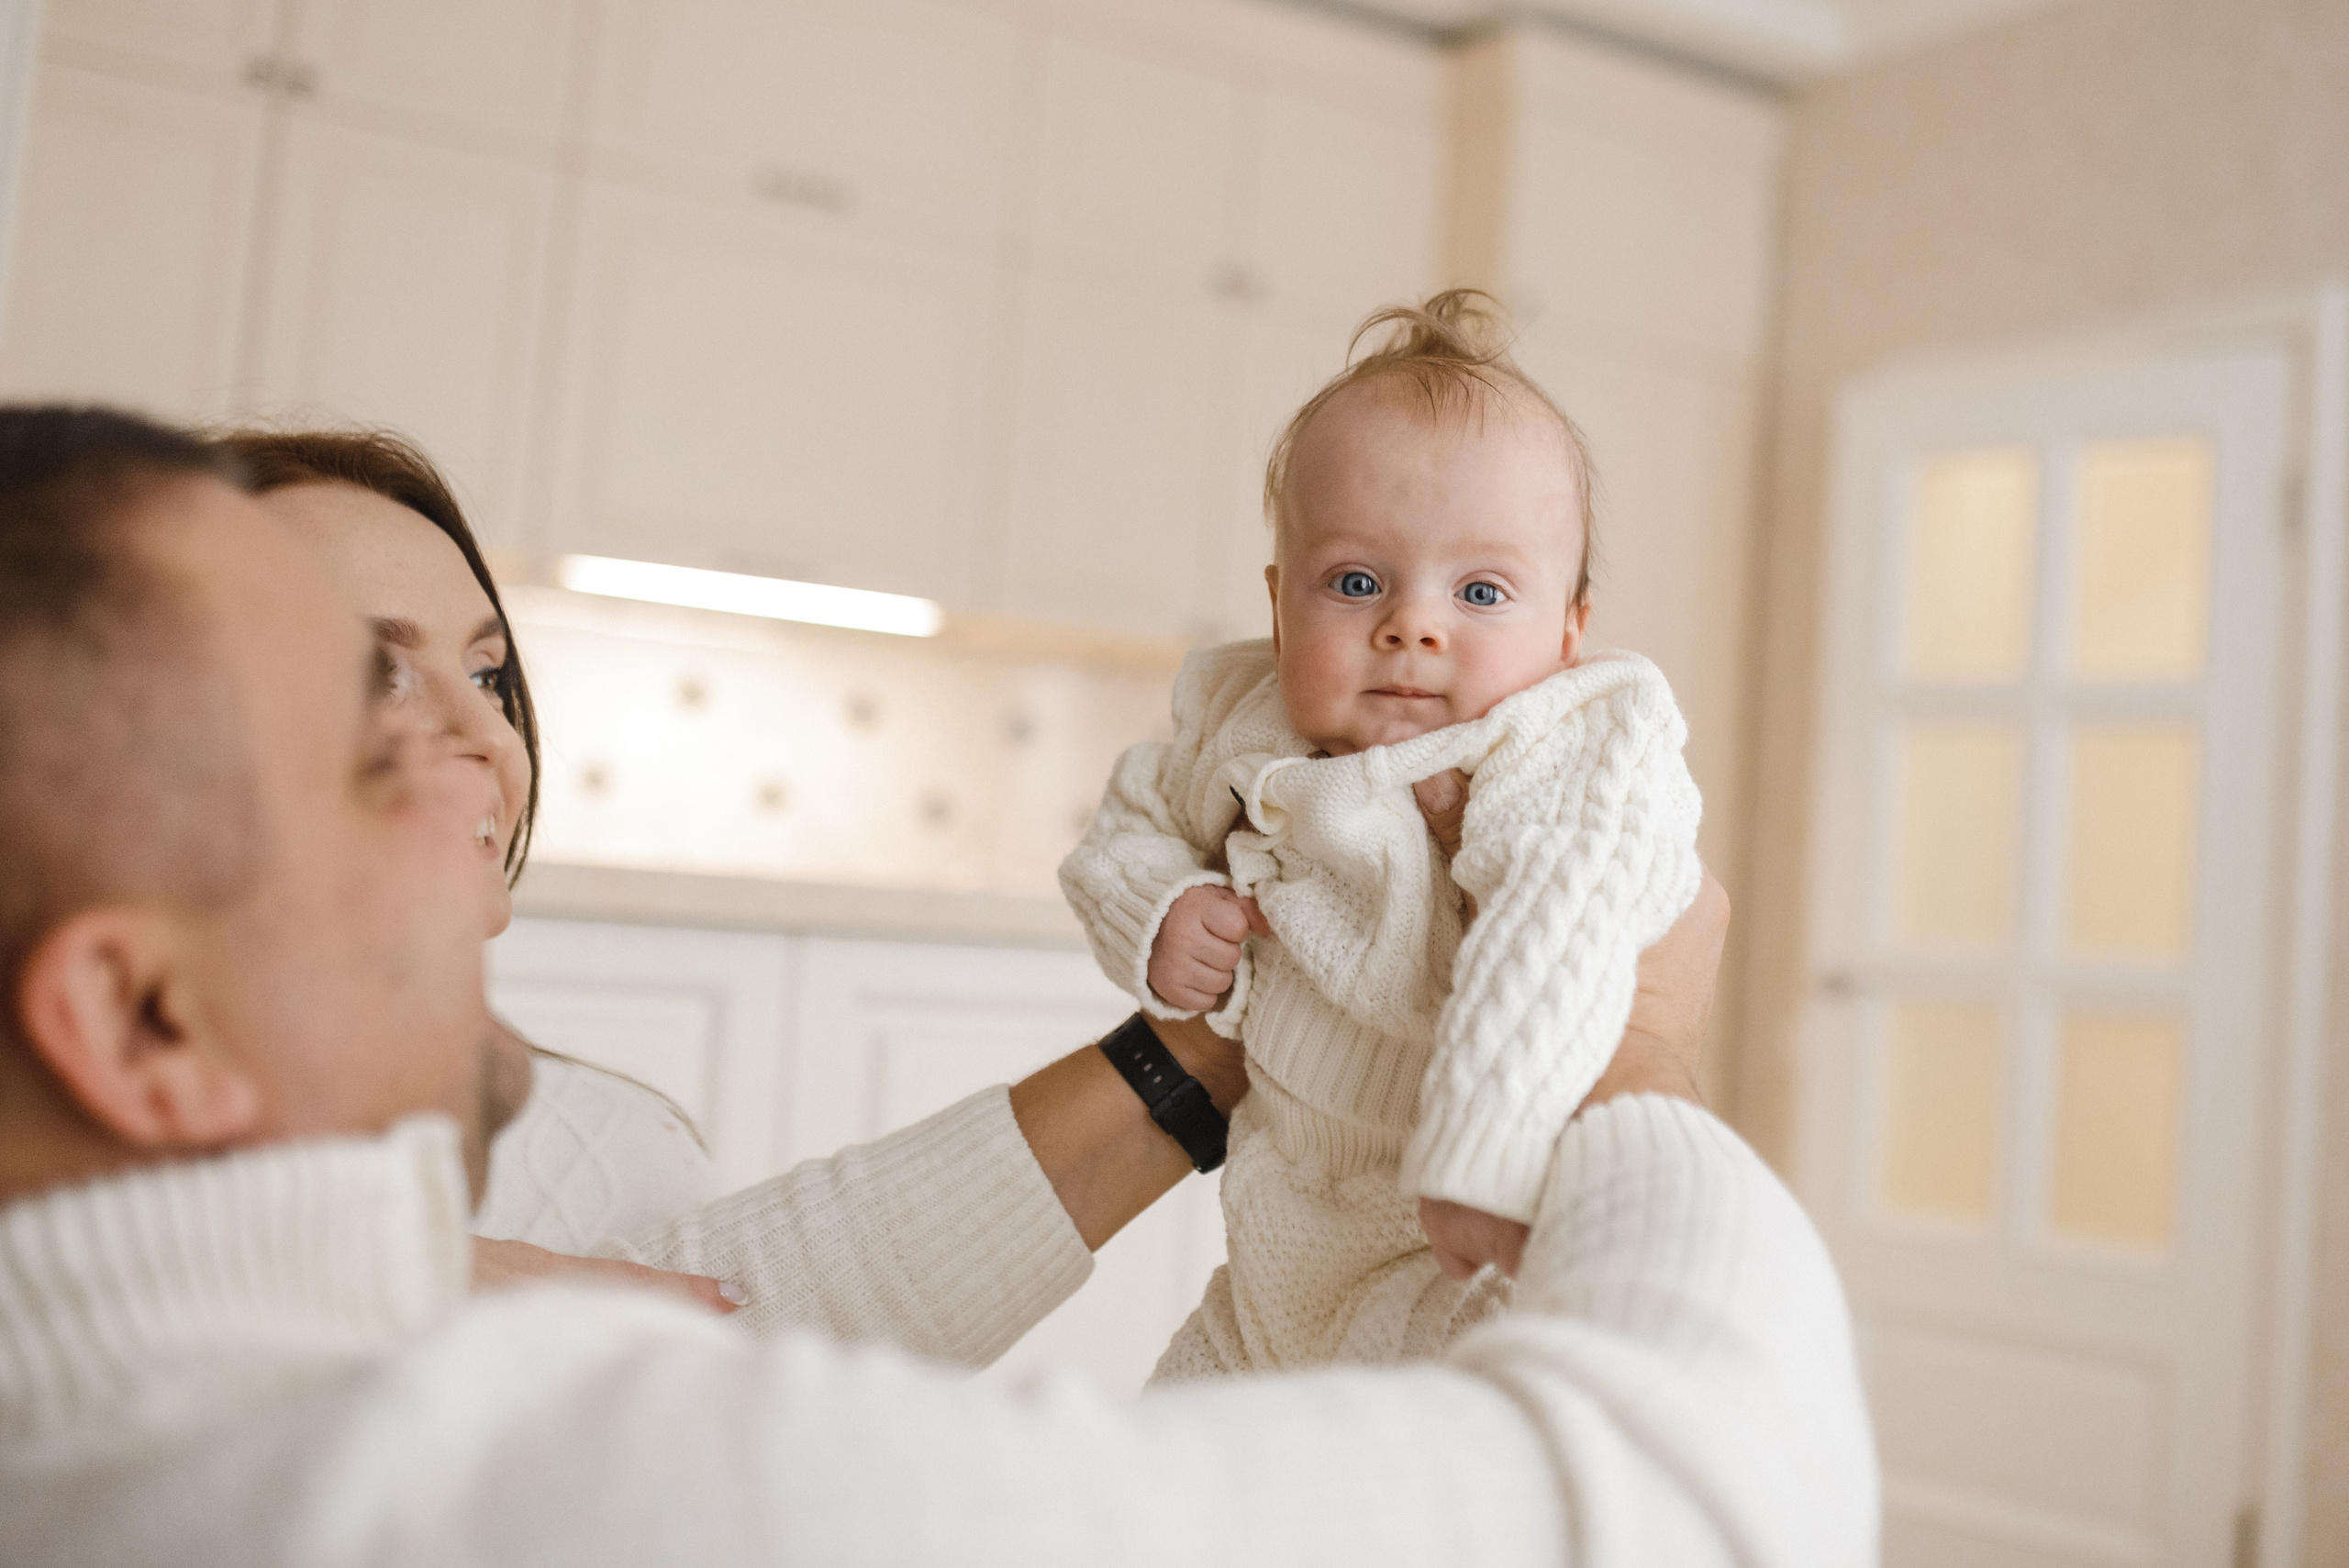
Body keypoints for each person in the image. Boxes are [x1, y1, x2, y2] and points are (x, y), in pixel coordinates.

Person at [0, 406, 1876, 1565]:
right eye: (357, 708)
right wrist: (1629, 1037)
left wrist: (1235, 1045)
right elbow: (1714, 1501)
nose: (476, 758)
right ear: (141, 1017)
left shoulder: (191, 1332)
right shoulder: (467, 1474)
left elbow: (737, 1294)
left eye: (486, 678)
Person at [205, 425, 1253, 1361]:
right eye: (368, 671)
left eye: (488, 676)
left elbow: (737, 1353)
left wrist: (1202, 1054)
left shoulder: (603, 1145)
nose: (487, 735)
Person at [1063, 291, 1701, 1379]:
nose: (1412, 623)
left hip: (1450, 1239)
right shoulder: (1239, 714)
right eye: (1355, 581)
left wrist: (1488, 1148)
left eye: (1481, 589)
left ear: (1569, 631)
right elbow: (1126, 824)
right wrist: (1159, 908)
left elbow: (1560, 920)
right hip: (1273, 1245)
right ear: (1279, 606)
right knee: (1171, 1450)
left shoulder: (1557, 743)